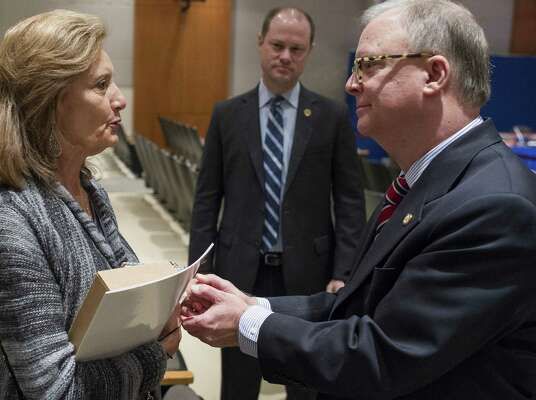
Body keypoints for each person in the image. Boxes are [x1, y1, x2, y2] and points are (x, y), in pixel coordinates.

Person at [181, 0, 536, 399]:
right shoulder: (425, 181)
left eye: (370, 64)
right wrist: (254, 305)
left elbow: (385, 354)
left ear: (434, 74)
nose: (352, 83)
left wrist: (248, 323)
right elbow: (356, 308)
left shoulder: (495, 207)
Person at [0, 10, 180, 399]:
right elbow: (57, 391)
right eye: (101, 85)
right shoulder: (7, 222)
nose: (120, 100)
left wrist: (163, 302)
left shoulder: (84, 187)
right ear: (50, 100)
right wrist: (154, 354)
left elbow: (115, 278)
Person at [188, 6, 365, 400]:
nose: (286, 56)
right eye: (278, 45)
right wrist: (197, 272)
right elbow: (206, 200)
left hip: (309, 275)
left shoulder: (332, 116)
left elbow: (350, 199)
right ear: (261, 44)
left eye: (296, 49)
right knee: (238, 382)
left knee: (304, 382)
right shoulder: (228, 115)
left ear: (309, 52)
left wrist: (345, 271)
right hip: (238, 271)